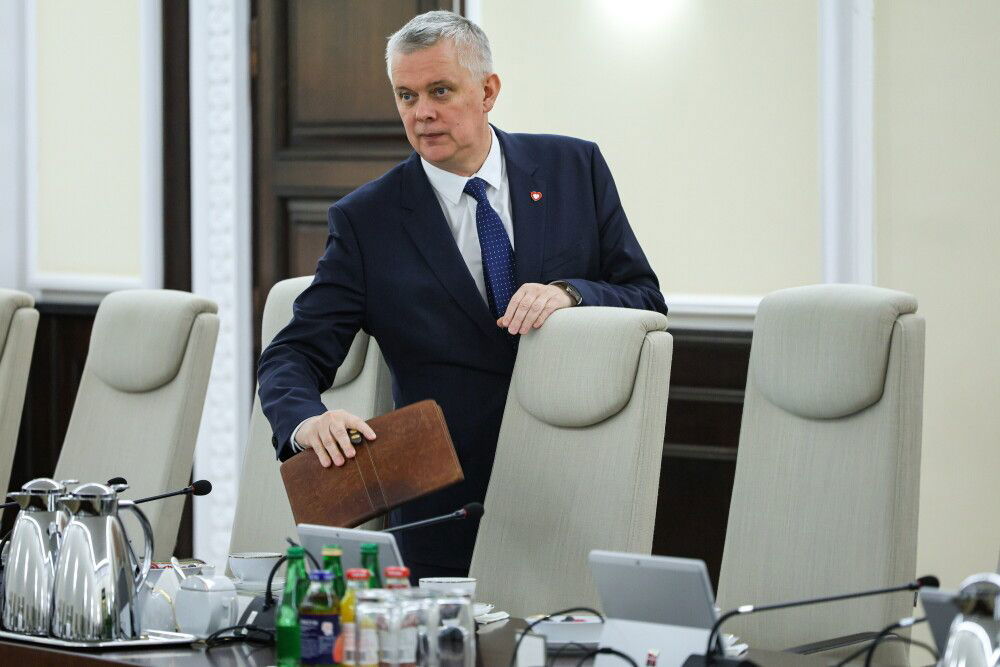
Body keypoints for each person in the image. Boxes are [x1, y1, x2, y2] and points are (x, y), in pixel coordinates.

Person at [258, 10, 667, 580]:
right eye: (406, 96)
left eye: (440, 91)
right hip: (443, 514)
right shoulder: (366, 221)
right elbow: (291, 355)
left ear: (488, 91)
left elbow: (644, 298)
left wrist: (571, 293)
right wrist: (306, 422)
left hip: (574, 492)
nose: (421, 112)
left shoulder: (575, 168)